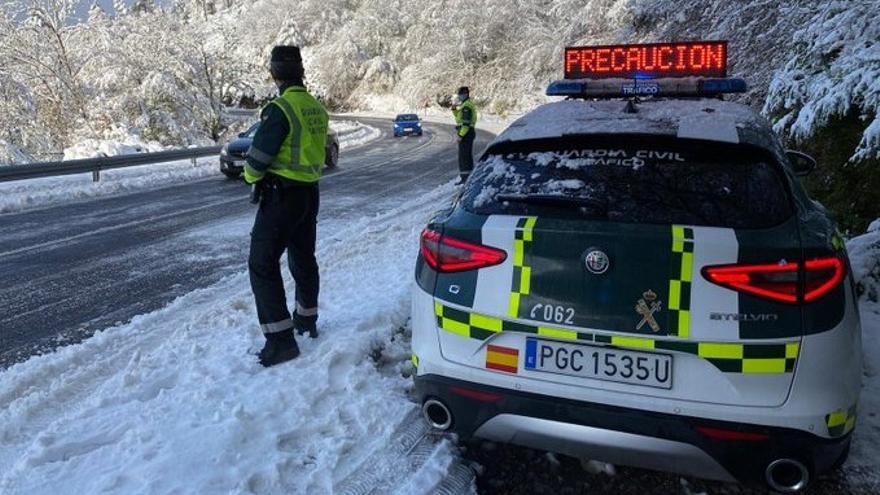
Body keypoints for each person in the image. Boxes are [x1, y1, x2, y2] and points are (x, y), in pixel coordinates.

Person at [244, 45, 329, 367]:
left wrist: (251, 177)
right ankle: (306, 321)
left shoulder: (279, 109)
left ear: (274, 73)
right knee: (304, 259)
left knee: (262, 265)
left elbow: (257, 160)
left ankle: (280, 341)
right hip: (309, 194)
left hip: (281, 197)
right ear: (301, 72)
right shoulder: (316, 107)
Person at [451, 86, 477, 183]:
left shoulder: (466, 106)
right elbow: (459, 118)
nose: (459, 96)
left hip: (466, 133)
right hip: (468, 132)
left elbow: (465, 124)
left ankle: (465, 179)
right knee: (466, 156)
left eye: (460, 95)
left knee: (464, 157)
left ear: (465, 94)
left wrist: (460, 136)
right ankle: (467, 177)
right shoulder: (465, 104)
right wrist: (454, 110)